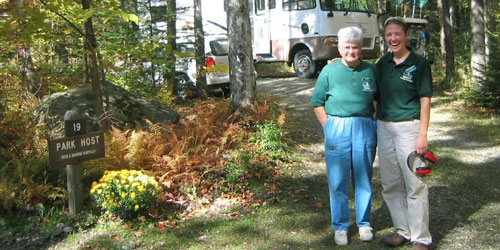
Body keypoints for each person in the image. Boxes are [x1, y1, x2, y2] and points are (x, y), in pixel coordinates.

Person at [310, 26, 378, 246]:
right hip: (337, 126)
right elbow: (317, 103)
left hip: (364, 126)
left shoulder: (370, 71)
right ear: (339, 48)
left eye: (355, 47)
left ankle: (364, 223)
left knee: (363, 177)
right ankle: (340, 226)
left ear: (361, 48)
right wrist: (328, 127)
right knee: (338, 181)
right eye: (347, 47)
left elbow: (381, 99)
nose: (351, 51)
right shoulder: (329, 71)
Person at [376, 17, 433, 250]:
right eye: (389, 34)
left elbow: (425, 100)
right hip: (384, 128)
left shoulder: (419, 64)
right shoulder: (382, 64)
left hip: (409, 128)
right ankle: (403, 231)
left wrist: (422, 134)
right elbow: (370, 90)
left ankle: (421, 237)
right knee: (390, 184)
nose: (393, 38)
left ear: (406, 35)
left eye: (397, 34)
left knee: (414, 184)